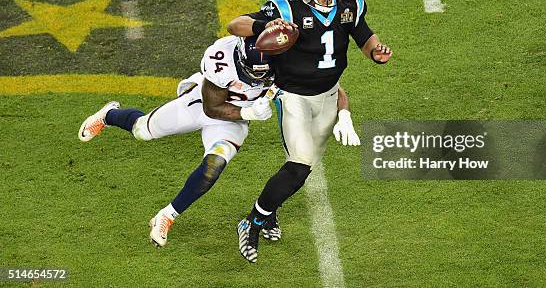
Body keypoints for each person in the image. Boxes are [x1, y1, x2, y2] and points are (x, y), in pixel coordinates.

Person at [77, 34, 359, 247]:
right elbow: (213, 108)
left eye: (263, 74)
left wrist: (344, 114)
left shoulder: (287, 66)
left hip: (233, 124)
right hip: (202, 104)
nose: (257, 78)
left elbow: (330, 89)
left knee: (214, 165)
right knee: (142, 130)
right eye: (251, 72)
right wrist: (248, 109)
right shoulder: (222, 59)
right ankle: (109, 114)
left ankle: (167, 215)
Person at [227, 0, 392, 262]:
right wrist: (266, 23)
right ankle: (251, 222)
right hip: (294, 97)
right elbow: (235, 24)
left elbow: (364, 35)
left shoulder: (349, 4)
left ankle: (268, 212)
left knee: (301, 170)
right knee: (299, 166)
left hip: (329, 95)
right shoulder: (286, 7)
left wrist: (375, 52)